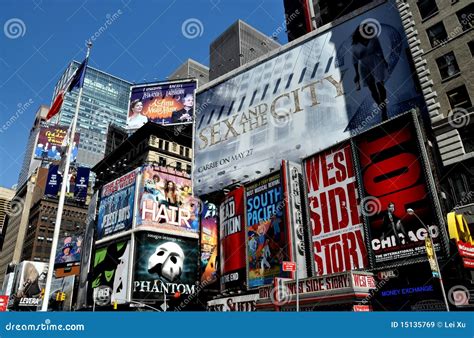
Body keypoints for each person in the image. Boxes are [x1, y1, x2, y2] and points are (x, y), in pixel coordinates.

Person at [352, 23, 389, 121]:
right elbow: (355, 60)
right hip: (364, 67)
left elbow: (380, 50)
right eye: (361, 30)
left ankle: (384, 110)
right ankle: (381, 106)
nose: (363, 31)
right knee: (372, 89)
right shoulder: (355, 45)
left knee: (381, 86)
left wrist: (384, 60)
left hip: (376, 62)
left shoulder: (373, 38)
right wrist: (357, 74)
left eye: (364, 28)